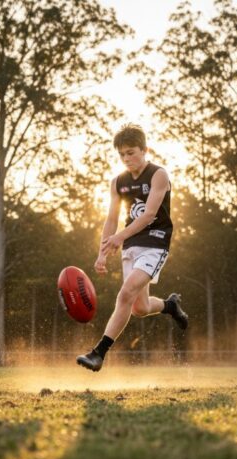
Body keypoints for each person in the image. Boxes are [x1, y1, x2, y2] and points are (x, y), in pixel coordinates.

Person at [76, 124, 188, 372]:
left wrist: (119, 237)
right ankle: (170, 305)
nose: (126, 158)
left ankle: (98, 353)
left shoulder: (159, 174)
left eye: (131, 152)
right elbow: (111, 219)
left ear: (145, 149)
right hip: (131, 245)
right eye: (122, 154)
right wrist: (102, 252)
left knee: (125, 292)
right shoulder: (118, 182)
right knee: (139, 308)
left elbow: (149, 215)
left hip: (155, 243)